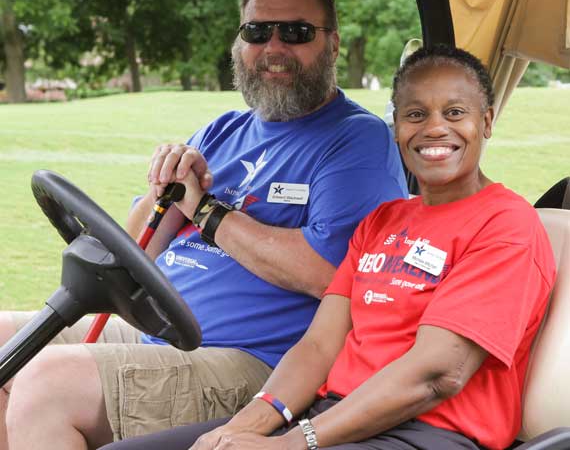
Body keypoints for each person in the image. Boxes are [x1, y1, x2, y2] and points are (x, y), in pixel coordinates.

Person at [1, 0, 407, 449]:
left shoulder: (356, 139)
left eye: (296, 32)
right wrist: (164, 187)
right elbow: (133, 254)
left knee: (48, 384)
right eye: (258, 31)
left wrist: (208, 211)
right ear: (240, 42)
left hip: (253, 362)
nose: (274, 47)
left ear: (333, 44)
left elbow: (328, 272)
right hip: (158, 330)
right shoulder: (222, 131)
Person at [101, 45, 556, 450]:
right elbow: (319, 345)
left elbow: (437, 374)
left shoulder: (505, 224)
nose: (435, 129)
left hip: (428, 432)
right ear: (396, 127)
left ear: (487, 122)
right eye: (415, 114)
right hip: (336, 416)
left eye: (455, 113)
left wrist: (296, 443)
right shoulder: (383, 221)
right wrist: (242, 428)